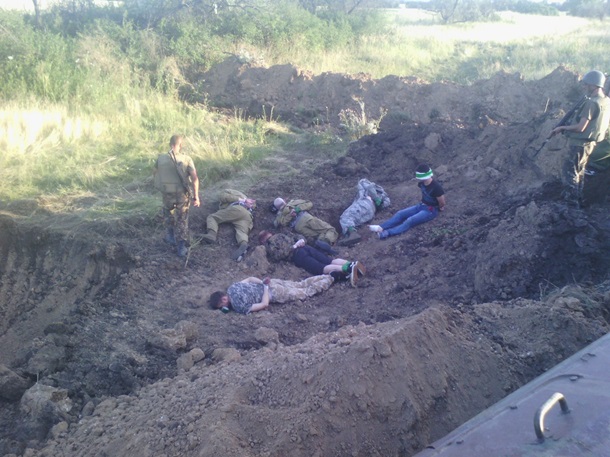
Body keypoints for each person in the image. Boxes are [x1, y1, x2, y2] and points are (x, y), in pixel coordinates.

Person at [550, 70, 610, 206]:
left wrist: (562, 128)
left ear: (594, 85)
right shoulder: (606, 101)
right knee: (580, 171)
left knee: (570, 171)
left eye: (587, 85)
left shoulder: (592, 103)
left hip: (580, 143)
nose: (585, 87)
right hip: (591, 143)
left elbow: (580, 127)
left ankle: (570, 204)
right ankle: (577, 199)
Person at [258, 231, 366, 287]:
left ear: (263, 240)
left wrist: (293, 248)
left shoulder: (270, 244)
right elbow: (299, 236)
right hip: (306, 247)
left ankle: (349, 268)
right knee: (329, 261)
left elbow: (278, 256)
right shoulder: (282, 234)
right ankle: (352, 264)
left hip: (297, 255)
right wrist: (301, 241)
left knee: (321, 268)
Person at [369, 164, 445, 240]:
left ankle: (388, 233)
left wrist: (440, 207)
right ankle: (381, 227)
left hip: (431, 210)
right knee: (400, 214)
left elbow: (442, 202)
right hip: (422, 205)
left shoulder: (436, 187)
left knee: (410, 220)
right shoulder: (422, 183)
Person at [153, 134, 200, 258]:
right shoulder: (186, 159)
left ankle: (169, 235)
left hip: (166, 192)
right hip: (181, 194)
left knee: (167, 212)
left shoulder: (160, 159)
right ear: (181, 145)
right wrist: (196, 197)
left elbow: (155, 175)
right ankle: (181, 247)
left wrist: (162, 187)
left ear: (170, 144)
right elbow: (195, 179)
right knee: (182, 219)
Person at [208, 275, 335, 315]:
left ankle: (332, 279)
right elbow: (251, 278)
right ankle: (328, 275)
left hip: (273, 293)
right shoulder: (232, 287)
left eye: (221, 306)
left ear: (224, 300)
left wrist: (265, 288)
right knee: (301, 284)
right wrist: (263, 282)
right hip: (272, 283)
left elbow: (264, 304)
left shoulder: (238, 307)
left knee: (305, 292)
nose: (223, 308)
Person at [201, 189, 256, 261]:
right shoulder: (245, 197)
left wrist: (242, 200)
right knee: (241, 232)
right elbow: (253, 205)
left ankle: (211, 234)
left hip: (237, 209)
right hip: (247, 216)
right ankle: (243, 243)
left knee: (212, 217)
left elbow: (223, 197)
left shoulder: (228, 192)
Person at [337, 178, 391, 247]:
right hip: (371, 213)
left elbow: (364, 183)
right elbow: (385, 204)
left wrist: (376, 198)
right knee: (354, 221)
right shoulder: (385, 197)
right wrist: (379, 202)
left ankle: (353, 234)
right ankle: (350, 237)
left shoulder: (371, 186)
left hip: (364, 203)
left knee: (346, 216)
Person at [273, 197, 338, 245]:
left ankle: (323, 244)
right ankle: (328, 241)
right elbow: (309, 203)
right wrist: (298, 209)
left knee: (318, 235)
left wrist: (289, 216)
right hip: (306, 218)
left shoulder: (279, 216)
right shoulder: (292, 203)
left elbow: (281, 223)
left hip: (299, 228)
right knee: (330, 229)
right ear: (284, 201)